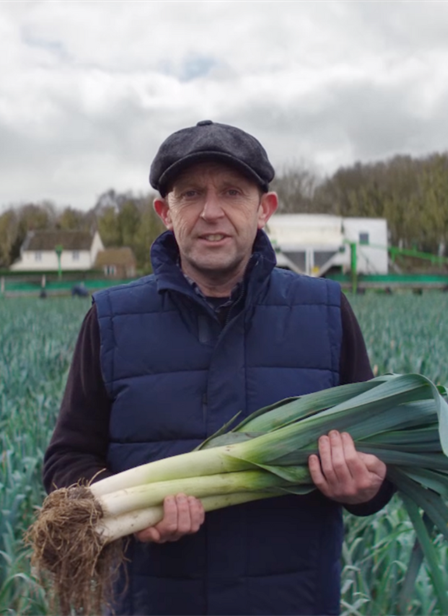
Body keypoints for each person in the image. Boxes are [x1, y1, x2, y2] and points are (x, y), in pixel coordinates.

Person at [43, 120, 395, 616]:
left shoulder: (327, 311)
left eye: (232, 192)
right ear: (166, 213)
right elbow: (66, 460)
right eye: (190, 195)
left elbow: (380, 458)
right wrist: (136, 514)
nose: (212, 212)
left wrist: (366, 487)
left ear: (264, 209)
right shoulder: (111, 319)